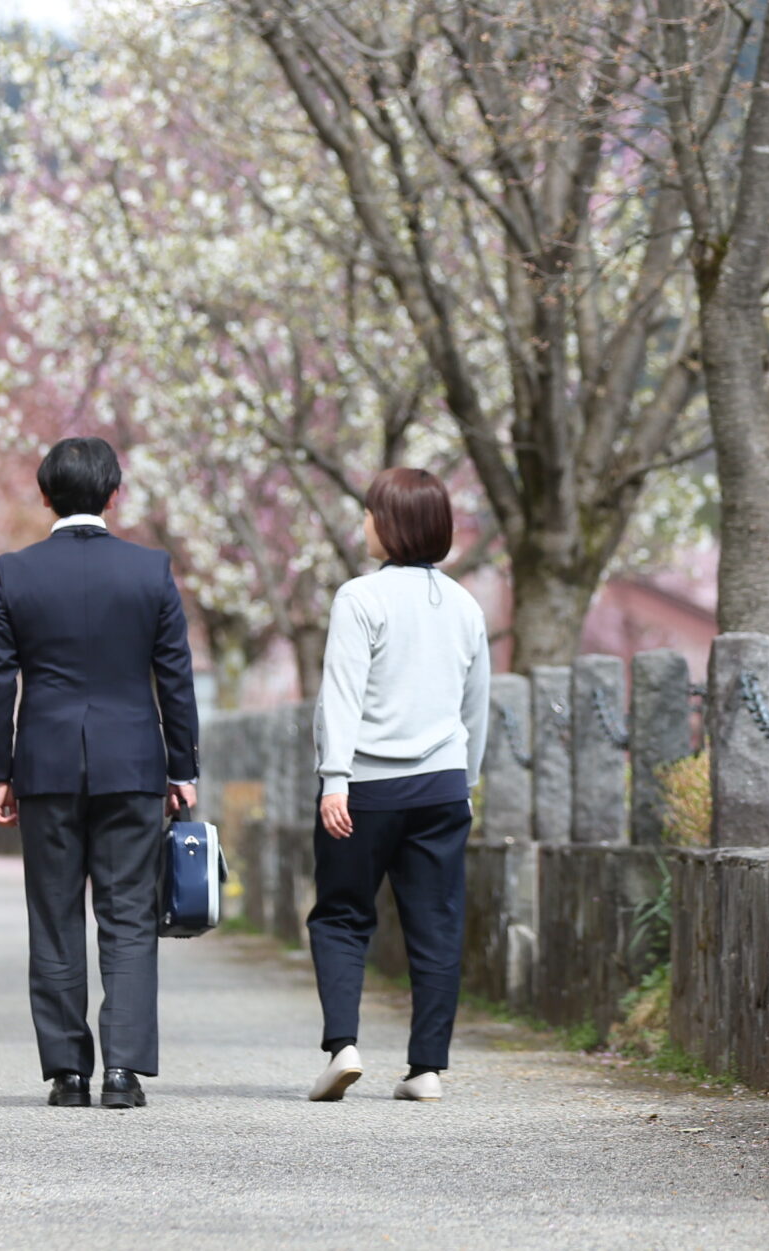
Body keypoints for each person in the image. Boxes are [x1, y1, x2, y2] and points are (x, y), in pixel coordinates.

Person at [0, 436, 200, 1109]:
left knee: (53, 916)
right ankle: (122, 1071)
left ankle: (67, 1071)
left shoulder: (14, 572)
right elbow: (176, 678)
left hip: (44, 764)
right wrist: (183, 766)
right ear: (113, 493)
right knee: (129, 913)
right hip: (132, 762)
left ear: (44, 495)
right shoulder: (150, 570)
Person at [304, 467, 490, 1103]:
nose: (364, 524)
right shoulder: (467, 605)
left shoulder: (360, 598)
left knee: (341, 916)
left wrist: (334, 780)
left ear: (391, 525)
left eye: (370, 513)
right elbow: (477, 707)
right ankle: (427, 1070)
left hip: (364, 789)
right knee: (436, 924)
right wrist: (466, 782)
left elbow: (341, 697)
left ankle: (343, 1047)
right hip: (441, 787)